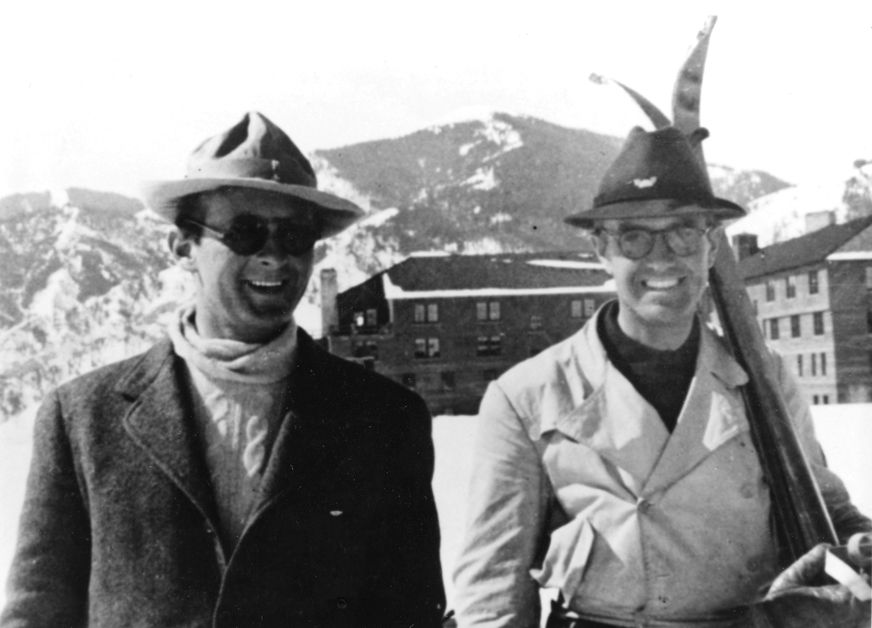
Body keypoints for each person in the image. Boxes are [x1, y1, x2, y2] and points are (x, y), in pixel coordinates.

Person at [1, 111, 446, 627]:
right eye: (246, 232)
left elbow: (411, 612)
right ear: (183, 248)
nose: (274, 257)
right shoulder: (80, 418)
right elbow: (37, 613)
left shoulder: (386, 420)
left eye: (295, 236)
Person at [452, 126, 871, 627]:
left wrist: (859, 549)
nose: (663, 256)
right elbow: (493, 593)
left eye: (684, 232)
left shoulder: (762, 377)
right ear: (600, 249)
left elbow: (822, 507)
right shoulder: (528, 396)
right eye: (634, 235)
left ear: (711, 247)